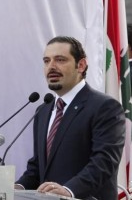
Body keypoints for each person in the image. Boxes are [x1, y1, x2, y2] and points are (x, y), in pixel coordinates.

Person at [15, 36, 125, 200]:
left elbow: (104, 162)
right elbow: (38, 167)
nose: (51, 66)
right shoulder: (43, 110)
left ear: (81, 65)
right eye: (46, 61)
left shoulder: (105, 107)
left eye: (60, 60)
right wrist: (17, 187)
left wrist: (69, 190)